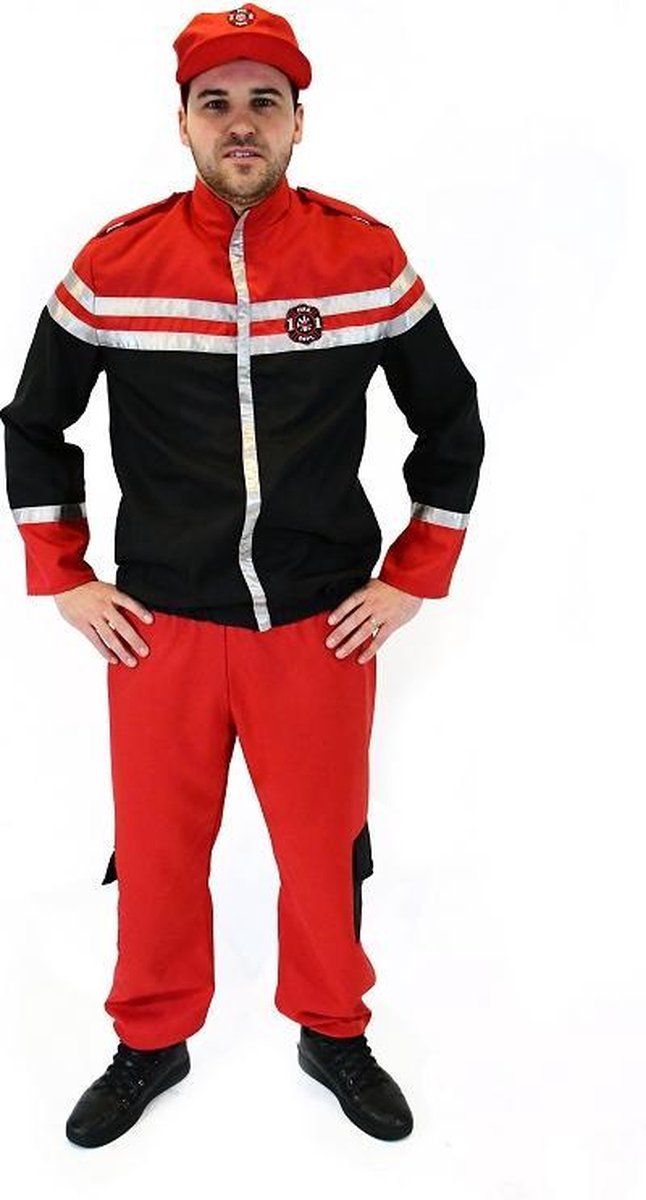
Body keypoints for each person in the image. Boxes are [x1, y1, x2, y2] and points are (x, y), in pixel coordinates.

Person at [0, 4, 485, 1148]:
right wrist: (63, 574)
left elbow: (451, 420)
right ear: (181, 122)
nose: (240, 122)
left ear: (298, 121)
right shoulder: (113, 265)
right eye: (214, 102)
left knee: (322, 851)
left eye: (265, 101)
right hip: (157, 626)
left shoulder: (365, 256)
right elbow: (33, 426)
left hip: (320, 625)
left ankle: (332, 1029)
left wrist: (414, 573)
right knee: (157, 855)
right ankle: (150, 1040)